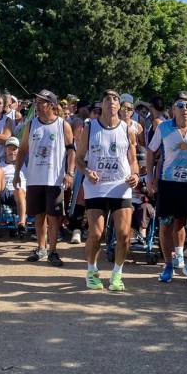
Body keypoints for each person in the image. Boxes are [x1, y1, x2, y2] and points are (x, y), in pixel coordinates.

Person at [76, 88, 140, 291]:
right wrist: (86, 171)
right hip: (96, 186)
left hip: (121, 186)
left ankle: (116, 275)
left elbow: (133, 160)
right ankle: (92, 270)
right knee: (96, 234)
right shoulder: (90, 127)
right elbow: (78, 158)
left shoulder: (127, 129)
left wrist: (136, 175)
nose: (111, 102)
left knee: (123, 234)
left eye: (115, 99)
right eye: (107, 99)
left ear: (119, 106)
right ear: (101, 105)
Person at [147, 92, 187, 286]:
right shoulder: (164, 127)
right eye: (179, 106)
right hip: (169, 184)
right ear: (173, 109)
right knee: (166, 226)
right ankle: (168, 266)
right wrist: (150, 178)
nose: (184, 109)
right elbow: (150, 151)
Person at [14, 89, 75, 266]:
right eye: (37, 102)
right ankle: (41, 248)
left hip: (54, 179)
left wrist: (69, 173)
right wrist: (17, 173)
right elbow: (23, 150)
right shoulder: (31, 124)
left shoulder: (63, 125)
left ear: (52, 105)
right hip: (34, 178)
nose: (38, 105)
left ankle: (53, 251)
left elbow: (71, 150)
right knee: (39, 216)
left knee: (53, 217)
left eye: (42, 102)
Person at [0, 136, 27, 228]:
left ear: (18, 150)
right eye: (9, 149)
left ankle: (22, 223)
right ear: (5, 150)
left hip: (19, 193)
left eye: (14, 149)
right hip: (4, 191)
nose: (12, 152)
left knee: (19, 190)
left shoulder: (25, 162)